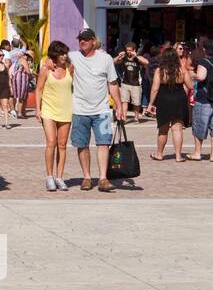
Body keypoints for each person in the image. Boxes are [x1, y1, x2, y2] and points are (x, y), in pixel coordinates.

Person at [70, 28, 125, 192]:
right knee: (82, 144)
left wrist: (119, 105)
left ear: (93, 41)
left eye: (86, 39)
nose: (82, 41)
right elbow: (54, 59)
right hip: (79, 110)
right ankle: (87, 177)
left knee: (104, 143)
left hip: (102, 111)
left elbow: (112, 84)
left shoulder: (106, 59)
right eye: (80, 39)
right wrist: (50, 62)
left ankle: (102, 178)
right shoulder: (73, 57)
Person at [36, 41, 73, 191]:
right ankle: (49, 177)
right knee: (51, 142)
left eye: (65, 53)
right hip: (49, 110)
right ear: (54, 54)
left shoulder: (70, 67)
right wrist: (38, 110)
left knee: (62, 145)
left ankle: (59, 177)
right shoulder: (46, 69)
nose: (64, 56)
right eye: (61, 53)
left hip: (66, 110)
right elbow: (38, 89)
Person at [148, 47, 189, 162]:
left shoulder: (159, 70)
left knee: (163, 129)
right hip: (179, 99)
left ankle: (159, 154)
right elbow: (190, 85)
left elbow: (155, 89)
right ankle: (178, 156)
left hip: (164, 100)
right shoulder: (181, 70)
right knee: (177, 129)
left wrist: (151, 103)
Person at [189, 41, 213, 163]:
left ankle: (197, 153)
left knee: (200, 124)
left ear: (204, 50)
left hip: (205, 98)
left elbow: (201, 77)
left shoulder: (204, 62)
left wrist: (192, 74)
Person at [114, 42, 149, 123]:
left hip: (136, 84)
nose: (128, 52)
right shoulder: (124, 57)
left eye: (130, 50)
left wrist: (135, 55)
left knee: (136, 103)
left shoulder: (138, 58)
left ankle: (136, 118)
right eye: (127, 50)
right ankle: (124, 118)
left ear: (134, 50)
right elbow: (114, 62)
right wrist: (119, 56)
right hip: (125, 83)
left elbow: (146, 62)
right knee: (124, 101)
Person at [10, 50, 32, 121]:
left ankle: (19, 112)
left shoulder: (18, 60)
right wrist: (31, 75)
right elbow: (28, 71)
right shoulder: (23, 61)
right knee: (21, 96)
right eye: (27, 56)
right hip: (21, 78)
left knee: (19, 96)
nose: (27, 57)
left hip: (17, 78)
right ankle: (20, 113)